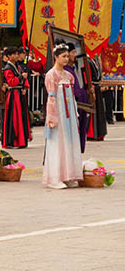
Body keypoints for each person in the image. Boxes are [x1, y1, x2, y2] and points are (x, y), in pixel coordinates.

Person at [42, 44, 84, 189]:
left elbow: (72, 97)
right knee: (57, 144)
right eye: (63, 56)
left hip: (69, 114)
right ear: (56, 57)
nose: (66, 59)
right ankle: (54, 178)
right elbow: (51, 98)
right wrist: (51, 117)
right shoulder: (51, 75)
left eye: (68, 56)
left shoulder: (69, 76)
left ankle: (68, 175)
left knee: (69, 142)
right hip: (58, 113)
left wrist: (75, 114)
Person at [0, 47, 31, 148]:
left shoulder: (18, 66)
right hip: (13, 95)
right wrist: (21, 77)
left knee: (21, 117)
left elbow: (24, 80)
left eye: (17, 54)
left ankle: (21, 140)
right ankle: (13, 141)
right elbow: (11, 82)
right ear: (9, 56)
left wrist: (25, 87)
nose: (16, 56)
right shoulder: (8, 68)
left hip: (20, 93)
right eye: (14, 54)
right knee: (14, 117)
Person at [66, 45, 92, 153]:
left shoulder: (74, 68)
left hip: (79, 103)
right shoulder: (63, 71)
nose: (75, 55)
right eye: (72, 52)